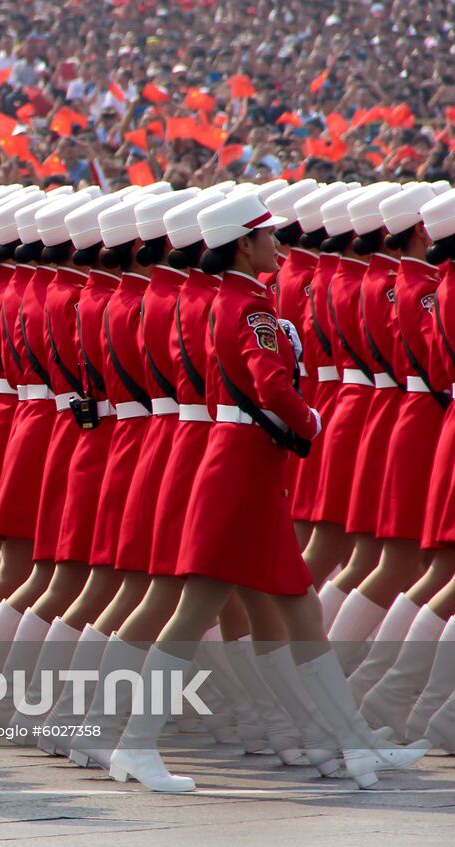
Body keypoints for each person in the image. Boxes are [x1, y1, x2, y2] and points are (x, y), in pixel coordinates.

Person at [106, 191, 428, 792]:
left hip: (240, 466)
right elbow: (271, 384)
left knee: (298, 609)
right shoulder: (252, 310)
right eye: (267, 238)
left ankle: (353, 745)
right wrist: (312, 422)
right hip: (239, 472)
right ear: (243, 245)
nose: (276, 247)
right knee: (193, 614)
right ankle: (134, 743)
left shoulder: (217, 301)